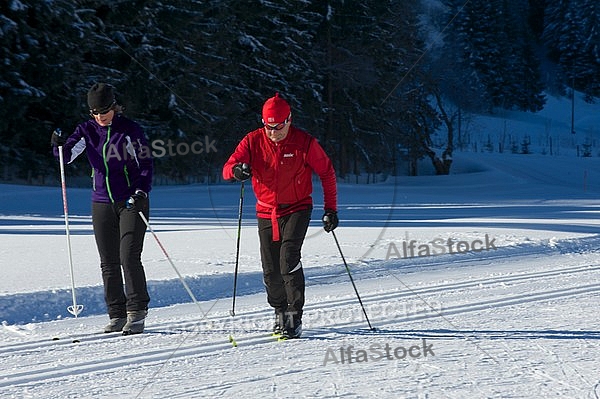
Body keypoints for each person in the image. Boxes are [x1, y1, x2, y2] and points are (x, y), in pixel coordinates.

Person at [223, 93, 339, 339]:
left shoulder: (304, 142)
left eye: (278, 126)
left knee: (288, 258)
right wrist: (236, 170)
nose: (273, 132)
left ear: (289, 120)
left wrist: (331, 210)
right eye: (268, 126)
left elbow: (327, 173)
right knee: (270, 270)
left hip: (298, 207)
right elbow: (227, 168)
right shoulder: (253, 140)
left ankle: (293, 316)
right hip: (266, 210)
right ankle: (279, 311)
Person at [51, 83, 153, 335]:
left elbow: (146, 163)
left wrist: (141, 191)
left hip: (131, 200)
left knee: (128, 256)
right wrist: (58, 145)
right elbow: (66, 157)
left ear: (114, 107)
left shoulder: (130, 130)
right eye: (95, 112)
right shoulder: (87, 131)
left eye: (105, 110)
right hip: (101, 202)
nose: (100, 116)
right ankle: (116, 313)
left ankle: (137, 312)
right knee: (108, 261)